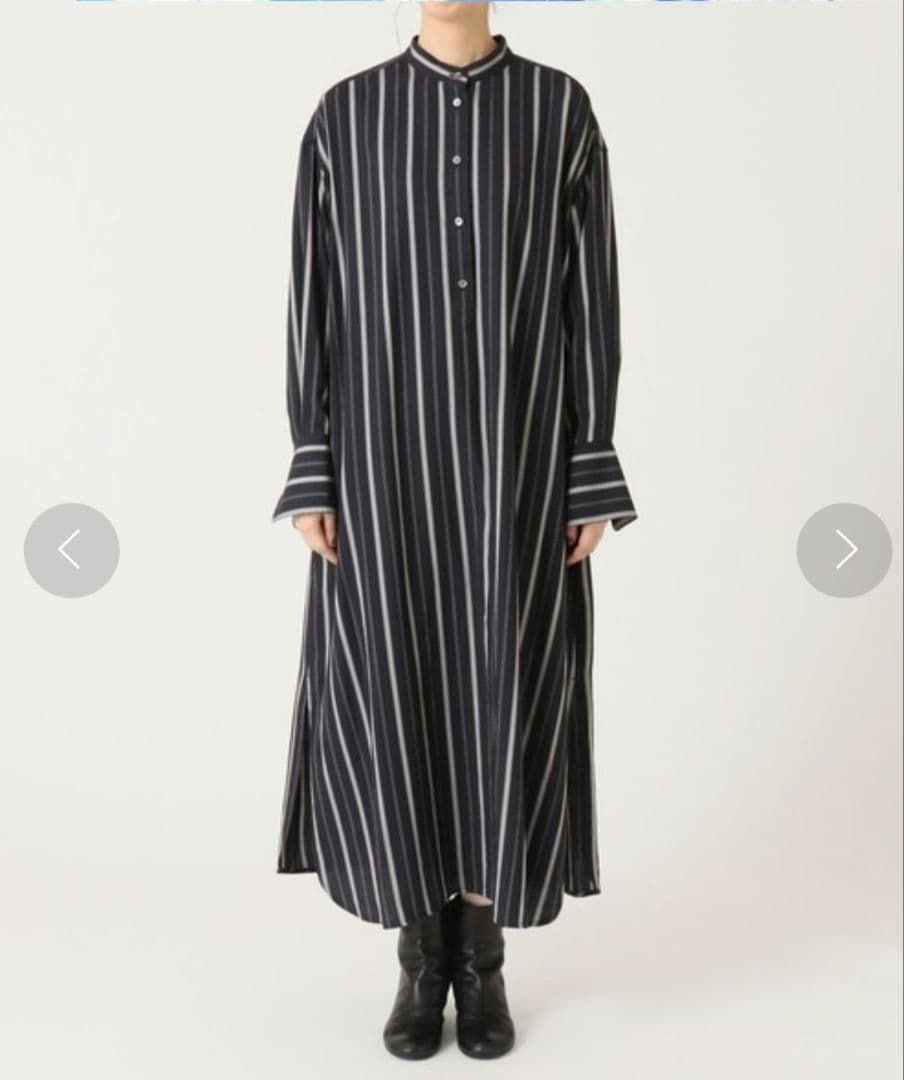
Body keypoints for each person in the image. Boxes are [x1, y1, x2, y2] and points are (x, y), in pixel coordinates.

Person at [271, 1, 637, 1060]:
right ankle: (419, 955)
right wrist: (312, 460)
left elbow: (591, 298)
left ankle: (482, 958)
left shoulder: (559, 110)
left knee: (503, 687)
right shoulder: (347, 116)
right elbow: (311, 295)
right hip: (380, 465)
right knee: (394, 689)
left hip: (517, 463)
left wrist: (587, 464)